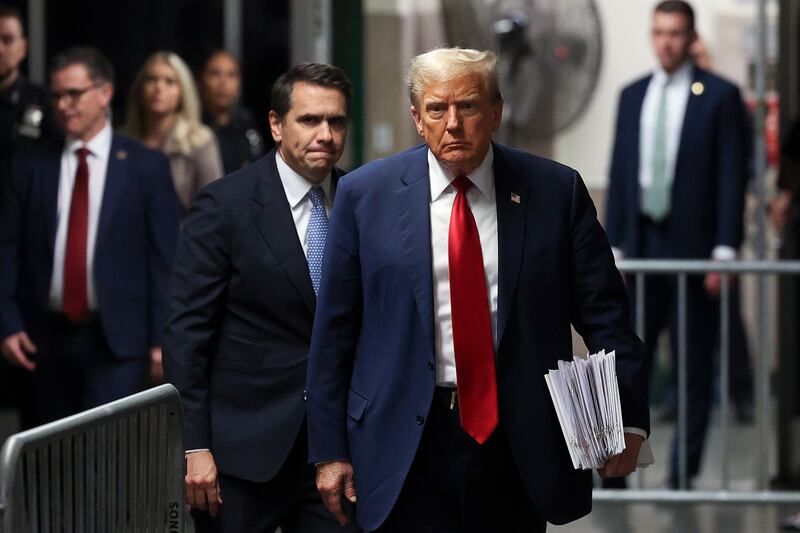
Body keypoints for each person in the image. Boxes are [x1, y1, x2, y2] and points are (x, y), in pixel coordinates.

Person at [305, 47, 650, 533]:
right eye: (436, 109)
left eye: (467, 106)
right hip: (401, 440)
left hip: (518, 441)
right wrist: (329, 450)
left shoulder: (555, 192)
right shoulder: (365, 196)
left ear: (496, 111)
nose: (453, 123)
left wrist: (629, 416)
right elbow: (333, 332)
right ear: (416, 118)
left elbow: (606, 316)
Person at [163, 63, 361, 533]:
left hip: (336, 450)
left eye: (336, 121)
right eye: (309, 120)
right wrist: (194, 446)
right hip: (243, 452)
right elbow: (187, 333)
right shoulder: (224, 206)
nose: (326, 135)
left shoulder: (360, 199)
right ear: (276, 124)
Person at [605, 0, 747, 488]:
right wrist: (615, 246)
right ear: (652, 34)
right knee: (626, 363)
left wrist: (726, 248)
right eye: (659, 32)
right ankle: (616, 475)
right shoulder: (632, 94)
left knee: (693, 367)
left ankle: (681, 477)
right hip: (641, 245)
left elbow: (732, 174)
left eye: (675, 33)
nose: (666, 41)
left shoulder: (720, 96)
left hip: (694, 250)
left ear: (690, 37)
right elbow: (622, 171)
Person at [0, 46, 179, 423]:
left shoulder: (146, 166)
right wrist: (9, 322)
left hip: (119, 339)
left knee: (106, 459)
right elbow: (7, 246)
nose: (63, 105)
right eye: (57, 95)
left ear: (104, 93)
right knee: (48, 459)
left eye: (74, 94)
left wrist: (160, 341)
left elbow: (164, 260)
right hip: (43, 338)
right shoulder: (30, 162)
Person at [0, 3, 60, 429]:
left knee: (37, 406)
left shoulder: (43, 105)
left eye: (6, 39)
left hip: (26, 259)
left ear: (23, 47)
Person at [123, 51, 223, 217]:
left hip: (181, 237)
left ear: (183, 91)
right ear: (140, 89)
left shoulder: (199, 140)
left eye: (169, 82)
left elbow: (213, 208)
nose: (159, 88)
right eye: (151, 79)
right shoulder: (122, 141)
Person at [199, 50, 265, 174]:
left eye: (231, 75)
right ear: (201, 81)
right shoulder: (194, 131)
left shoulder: (247, 123)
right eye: (215, 74)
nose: (223, 82)